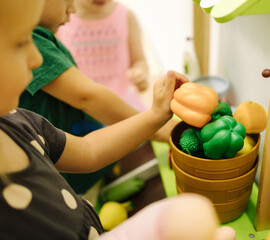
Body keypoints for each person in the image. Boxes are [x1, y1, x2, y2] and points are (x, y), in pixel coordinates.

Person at [0, 1, 236, 239]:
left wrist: (156, 116)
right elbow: (87, 96)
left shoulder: (21, 124)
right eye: (21, 43)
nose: (36, 58)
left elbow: (88, 150)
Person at [18, 0, 177, 194]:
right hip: (68, 174)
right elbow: (87, 96)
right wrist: (160, 128)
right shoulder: (33, 37)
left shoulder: (124, 15)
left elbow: (90, 148)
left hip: (85, 153)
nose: (72, 9)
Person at [57, 0, 148, 112]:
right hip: (82, 108)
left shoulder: (126, 16)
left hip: (124, 102)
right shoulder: (60, 21)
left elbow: (139, 60)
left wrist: (140, 73)